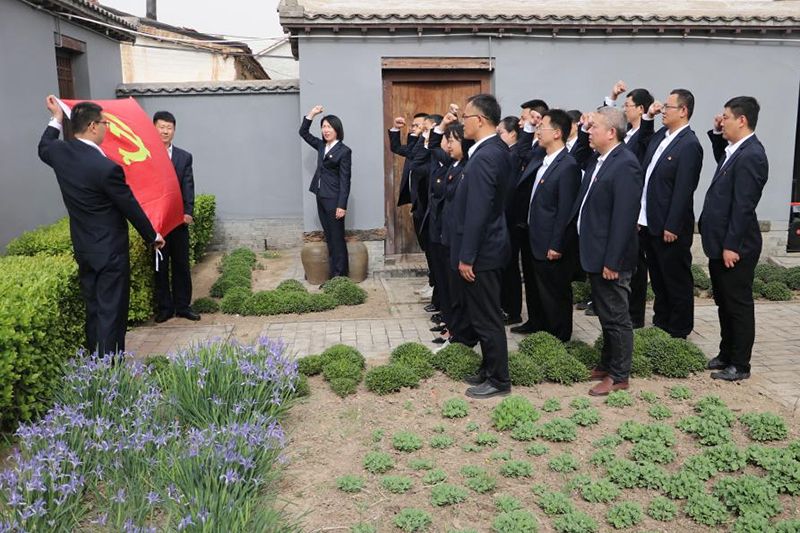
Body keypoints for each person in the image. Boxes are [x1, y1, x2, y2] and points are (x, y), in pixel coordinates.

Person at [39, 95, 164, 356]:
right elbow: (129, 205)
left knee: (94, 308)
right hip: (110, 252)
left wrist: (56, 118)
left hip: (84, 249)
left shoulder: (60, 154)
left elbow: (44, 146)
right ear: (93, 126)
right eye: (105, 123)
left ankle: (94, 364)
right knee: (112, 312)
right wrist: (152, 236)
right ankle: (110, 370)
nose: (107, 128)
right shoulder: (106, 168)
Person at [571, 107, 643, 396]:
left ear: (611, 132)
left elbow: (624, 219)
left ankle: (619, 375)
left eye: (594, 127)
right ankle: (607, 363)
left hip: (612, 259)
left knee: (616, 317)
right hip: (596, 252)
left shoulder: (625, 164)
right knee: (605, 314)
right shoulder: (600, 159)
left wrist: (613, 260)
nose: (589, 131)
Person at [700, 96, 768, 381]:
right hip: (720, 242)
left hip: (736, 246)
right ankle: (726, 352)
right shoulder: (735, 150)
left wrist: (731, 245)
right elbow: (724, 165)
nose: (722, 120)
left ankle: (740, 364)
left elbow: (743, 206)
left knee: (738, 305)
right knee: (724, 302)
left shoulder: (752, 155)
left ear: (742, 120)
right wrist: (718, 134)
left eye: (726, 117)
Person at [452, 94, 513, 399]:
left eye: (465, 117)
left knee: (487, 317)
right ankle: (488, 368)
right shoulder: (492, 150)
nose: (462, 122)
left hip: (483, 251)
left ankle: (499, 379)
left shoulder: (488, 155)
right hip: (488, 245)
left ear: (480, 120)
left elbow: (479, 210)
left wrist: (467, 256)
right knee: (480, 315)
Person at [638, 90, 703, 338]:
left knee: (675, 279)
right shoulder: (661, 137)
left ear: (683, 111)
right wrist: (648, 117)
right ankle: (662, 322)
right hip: (651, 221)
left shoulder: (689, 144)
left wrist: (673, 225)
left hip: (670, 226)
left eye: (668, 107)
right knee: (658, 278)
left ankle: (678, 329)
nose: (663, 110)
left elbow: (684, 189)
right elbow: (642, 142)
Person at [526, 109, 582, 341]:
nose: (538, 131)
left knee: (555, 294)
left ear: (557, 133)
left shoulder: (567, 165)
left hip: (552, 243)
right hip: (537, 238)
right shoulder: (544, 160)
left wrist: (557, 244)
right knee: (542, 293)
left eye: (543, 127)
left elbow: (565, 211)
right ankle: (543, 334)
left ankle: (559, 338)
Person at [152, 111, 199, 323]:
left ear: (174, 130)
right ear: (154, 128)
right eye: (161, 127)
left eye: (169, 127)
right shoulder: (145, 155)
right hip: (158, 223)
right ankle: (164, 308)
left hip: (179, 221)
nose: (165, 131)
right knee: (160, 266)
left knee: (181, 264)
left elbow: (188, 185)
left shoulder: (183, 157)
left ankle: (183, 306)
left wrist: (188, 211)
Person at [299, 105, 352, 278]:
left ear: (337, 130)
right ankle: (333, 275)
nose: (326, 130)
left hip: (334, 199)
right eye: (323, 127)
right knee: (329, 237)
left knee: (337, 238)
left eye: (329, 127)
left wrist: (342, 205)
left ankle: (340, 276)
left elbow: (345, 180)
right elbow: (303, 132)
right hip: (321, 196)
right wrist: (312, 114)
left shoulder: (344, 151)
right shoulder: (322, 146)